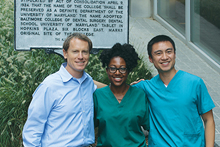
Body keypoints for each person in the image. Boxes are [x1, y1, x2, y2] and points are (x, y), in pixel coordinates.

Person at [132, 35, 215, 147]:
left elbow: (208, 120)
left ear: (175, 54)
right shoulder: (146, 87)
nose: (165, 57)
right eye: (158, 53)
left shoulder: (194, 83)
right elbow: (112, 91)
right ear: (151, 59)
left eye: (169, 51)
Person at [23, 33, 97, 146]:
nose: (80, 56)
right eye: (75, 51)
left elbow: (107, 90)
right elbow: (32, 130)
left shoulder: (89, 82)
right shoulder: (50, 86)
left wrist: (129, 87)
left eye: (85, 52)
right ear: (65, 53)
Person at [93, 43, 149, 147]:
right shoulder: (98, 96)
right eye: (113, 68)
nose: (117, 73)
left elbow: (151, 127)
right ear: (107, 70)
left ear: (128, 71)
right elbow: (87, 127)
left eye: (122, 68)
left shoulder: (140, 95)